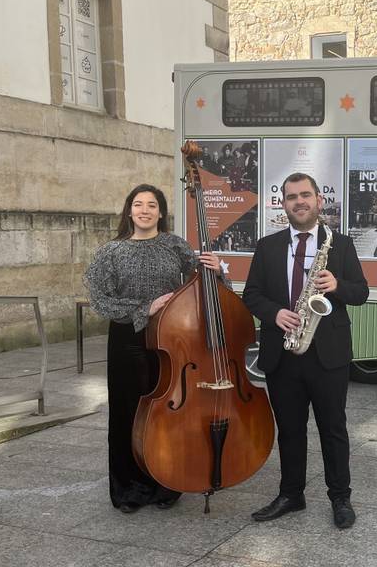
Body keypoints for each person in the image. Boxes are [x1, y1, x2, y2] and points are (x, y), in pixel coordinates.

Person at [84, 184, 223, 514]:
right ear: (129, 211)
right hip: (127, 340)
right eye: (137, 204)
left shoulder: (175, 245)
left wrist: (216, 272)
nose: (144, 210)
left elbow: (202, 287)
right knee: (127, 414)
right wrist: (144, 307)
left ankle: (167, 482)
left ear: (161, 212)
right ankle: (128, 488)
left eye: (151, 205)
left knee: (168, 413)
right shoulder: (110, 251)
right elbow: (99, 300)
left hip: (172, 340)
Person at [243, 172, 369, 529]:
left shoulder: (340, 245)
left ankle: (340, 498)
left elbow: (361, 293)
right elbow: (251, 294)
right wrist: (275, 313)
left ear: (318, 200)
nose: (299, 201)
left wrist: (338, 284)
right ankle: (291, 494)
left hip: (327, 354)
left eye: (305, 195)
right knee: (290, 429)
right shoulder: (268, 246)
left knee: (333, 429)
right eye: (291, 196)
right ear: (283, 204)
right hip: (283, 353)